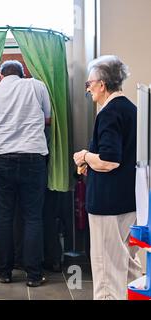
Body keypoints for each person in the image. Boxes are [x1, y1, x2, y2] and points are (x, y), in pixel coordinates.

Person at [0, 60, 51, 287]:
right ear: (24, 72)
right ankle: (34, 275)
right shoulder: (37, 86)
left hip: (2, 161)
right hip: (33, 158)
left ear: (0, 76)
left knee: (3, 217)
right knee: (33, 217)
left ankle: (4, 272)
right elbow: (47, 119)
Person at [73, 55, 142, 300]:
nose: (88, 88)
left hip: (107, 205)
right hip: (130, 201)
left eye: (89, 83)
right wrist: (92, 160)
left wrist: (84, 156)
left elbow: (110, 160)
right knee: (128, 263)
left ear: (102, 84)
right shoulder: (133, 110)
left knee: (106, 269)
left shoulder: (109, 113)